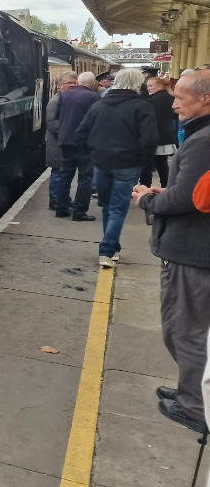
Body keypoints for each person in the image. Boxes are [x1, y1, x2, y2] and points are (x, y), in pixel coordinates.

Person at [133, 68, 210, 434]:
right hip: (195, 248)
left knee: (184, 330)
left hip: (193, 251)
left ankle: (195, 406)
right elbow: (195, 193)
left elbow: (186, 199)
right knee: (186, 328)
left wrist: (149, 199)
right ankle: (189, 391)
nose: (173, 103)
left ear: (205, 99)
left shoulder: (203, 141)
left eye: (180, 97)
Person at [74, 68, 156, 268]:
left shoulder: (99, 106)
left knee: (107, 206)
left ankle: (113, 248)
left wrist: (94, 154)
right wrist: (142, 160)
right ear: (139, 84)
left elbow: (80, 135)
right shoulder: (142, 107)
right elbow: (150, 139)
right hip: (128, 164)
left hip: (101, 163)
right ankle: (107, 250)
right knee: (118, 208)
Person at [54, 71, 100, 221]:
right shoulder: (94, 97)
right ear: (93, 84)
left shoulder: (64, 95)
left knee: (65, 175)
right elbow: (96, 120)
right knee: (85, 178)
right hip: (85, 143)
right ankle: (79, 212)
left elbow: (59, 115)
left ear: (79, 82)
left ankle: (61, 208)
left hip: (65, 141)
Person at [46, 72, 78, 210]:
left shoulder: (68, 99)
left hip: (65, 143)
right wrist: (70, 135)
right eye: (69, 83)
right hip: (57, 143)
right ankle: (54, 200)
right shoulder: (55, 101)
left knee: (63, 172)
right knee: (58, 172)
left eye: (75, 82)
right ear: (61, 86)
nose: (73, 85)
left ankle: (63, 198)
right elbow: (53, 123)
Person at [139, 76, 178, 188]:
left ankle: (145, 186)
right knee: (161, 164)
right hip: (165, 135)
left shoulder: (157, 99)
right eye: (148, 86)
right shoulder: (167, 97)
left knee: (149, 163)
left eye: (151, 86)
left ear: (160, 86)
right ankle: (166, 186)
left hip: (157, 136)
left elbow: (152, 118)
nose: (148, 88)